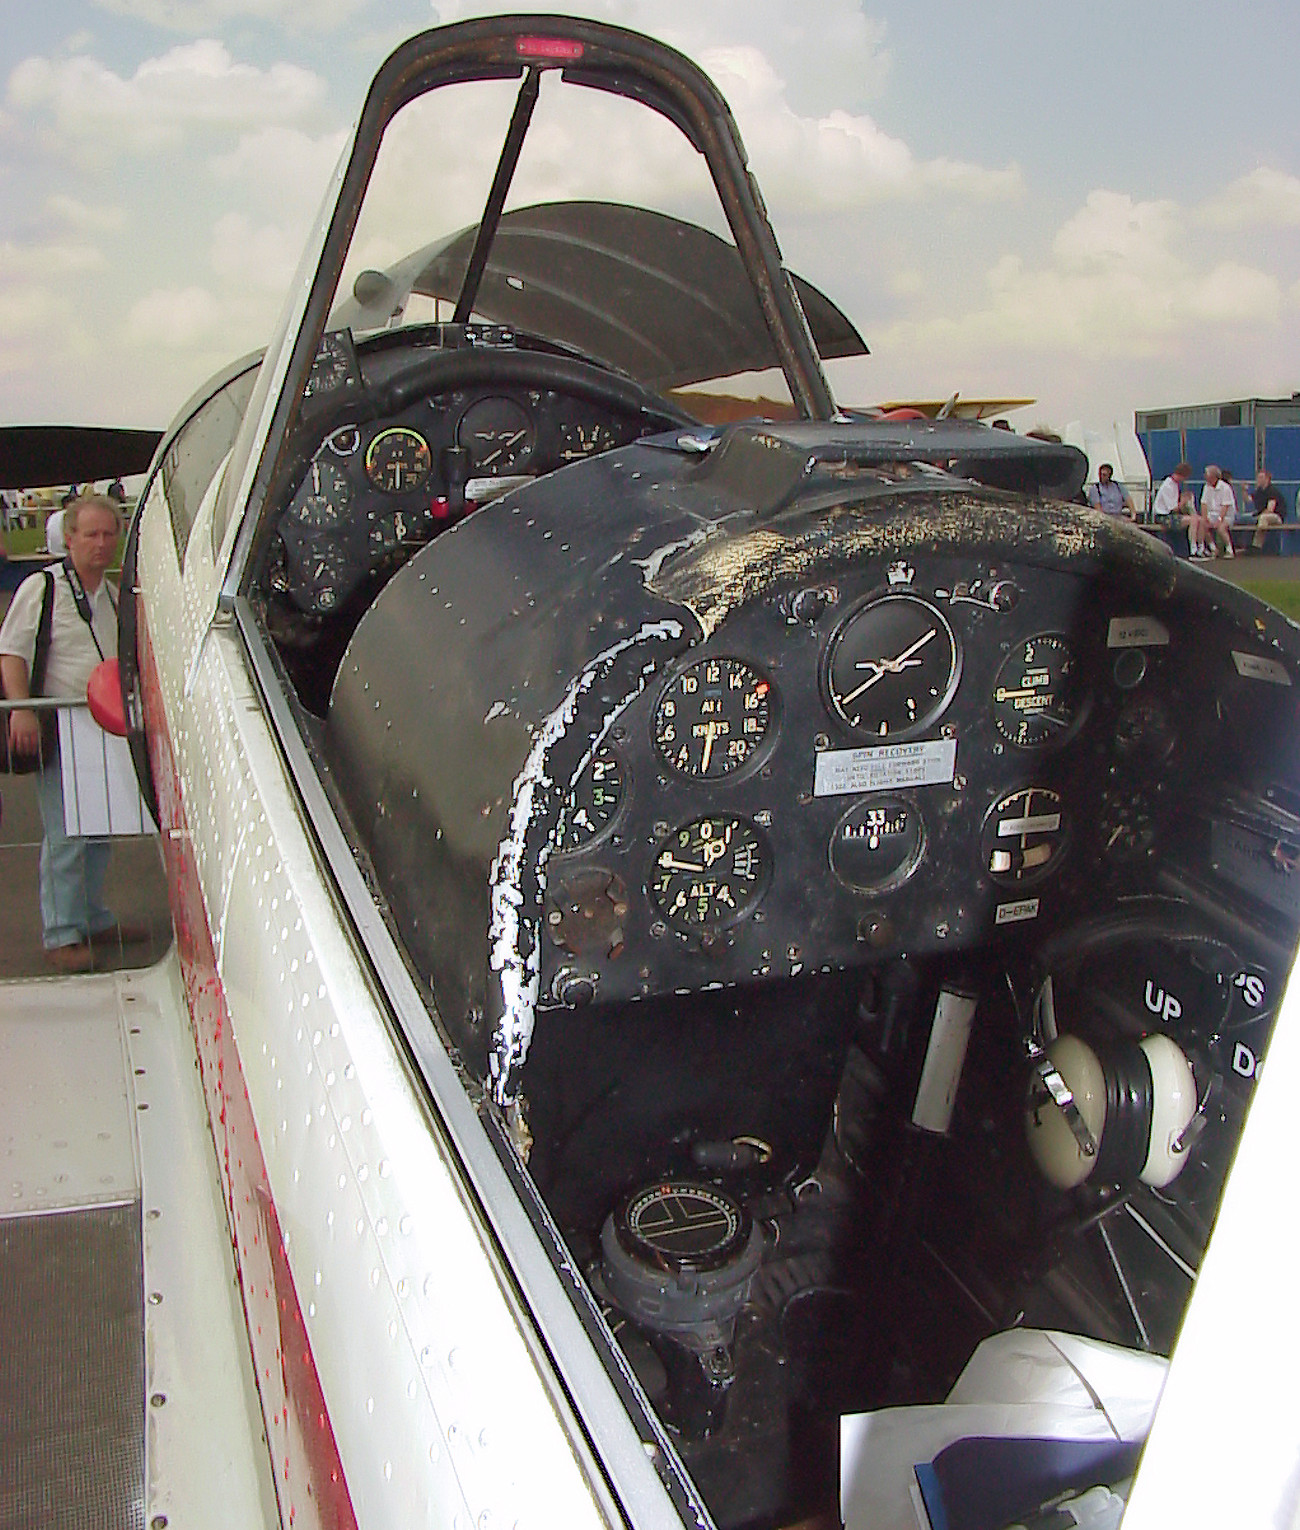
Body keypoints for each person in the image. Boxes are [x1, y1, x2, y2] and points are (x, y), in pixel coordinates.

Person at [0, 494, 144, 970]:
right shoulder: (42, 588)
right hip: (58, 723)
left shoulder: (110, 592)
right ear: (69, 538)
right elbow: (12, 652)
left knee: (98, 829)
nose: (101, 544)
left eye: (109, 534)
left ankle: (90, 917)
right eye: (91, 534)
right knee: (65, 833)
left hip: (99, 727)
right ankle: (61, 932)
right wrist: (21, 710)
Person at [1151, 461, 1196, 554]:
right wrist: (1183, 501)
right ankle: (1193, 550)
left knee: (1197, 519)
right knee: (1193, 520)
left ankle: (1199, 548)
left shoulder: (1174, 484)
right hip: (1163, 517)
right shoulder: (1168, 486)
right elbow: (1173, 508)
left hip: (1169, 515)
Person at [1200, 465, 1236, 559]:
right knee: (1202, 524)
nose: (1204, 476)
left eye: (1206, 474)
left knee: (1221, 528)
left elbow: (1225, 506)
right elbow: (1204, 504)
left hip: (1227, 515)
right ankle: (1213, 549)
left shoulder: (1225, 488)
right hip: (1212, 514)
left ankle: (1229, 550)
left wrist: (1219, 519)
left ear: (1213, 476)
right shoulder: (1206, 487)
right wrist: (1205, 518)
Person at [1250, 469, 1286, 553]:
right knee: (1246, 518)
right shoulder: (1259, 491)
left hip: (1277, 516)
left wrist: (1258, 517)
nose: (1258, 479)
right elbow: (1248, 499)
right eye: (1258, 477)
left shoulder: (1272, 491)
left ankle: (1257, 546)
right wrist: (1243, 490)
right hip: (1264, 516)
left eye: (1261, 477)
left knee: (1263, 518)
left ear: (1267, 479)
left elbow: (1270, 509)